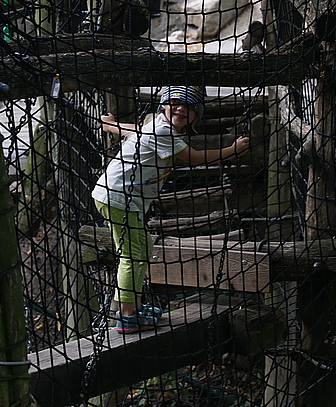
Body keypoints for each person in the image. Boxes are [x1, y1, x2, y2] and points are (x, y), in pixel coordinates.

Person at [92, 86, 250, 334]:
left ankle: (129, 307)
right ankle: (126, 316)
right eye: (176, 103)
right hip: (118, 197)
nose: (181, 109)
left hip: (120, 197)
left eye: (188, 107)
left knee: (141, 248)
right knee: (133, 254)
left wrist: (111, 126)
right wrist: (232, 151)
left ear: (196, 115)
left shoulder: (156, 126)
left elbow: (134, 129)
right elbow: (193, 157)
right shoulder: (162, 130)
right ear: (163, 105)